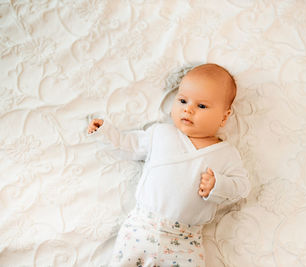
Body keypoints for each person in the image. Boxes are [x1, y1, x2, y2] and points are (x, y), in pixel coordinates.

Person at [88, 63, 250, 267]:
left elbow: (242, 187)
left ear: (224, 117)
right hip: (141, 228)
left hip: (185, 240)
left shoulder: (226, 154)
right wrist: (105, 133)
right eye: (183, 100)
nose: (188, 109)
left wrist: (218, 185)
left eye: (201, 106)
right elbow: (128, 145)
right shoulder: (161, 133)